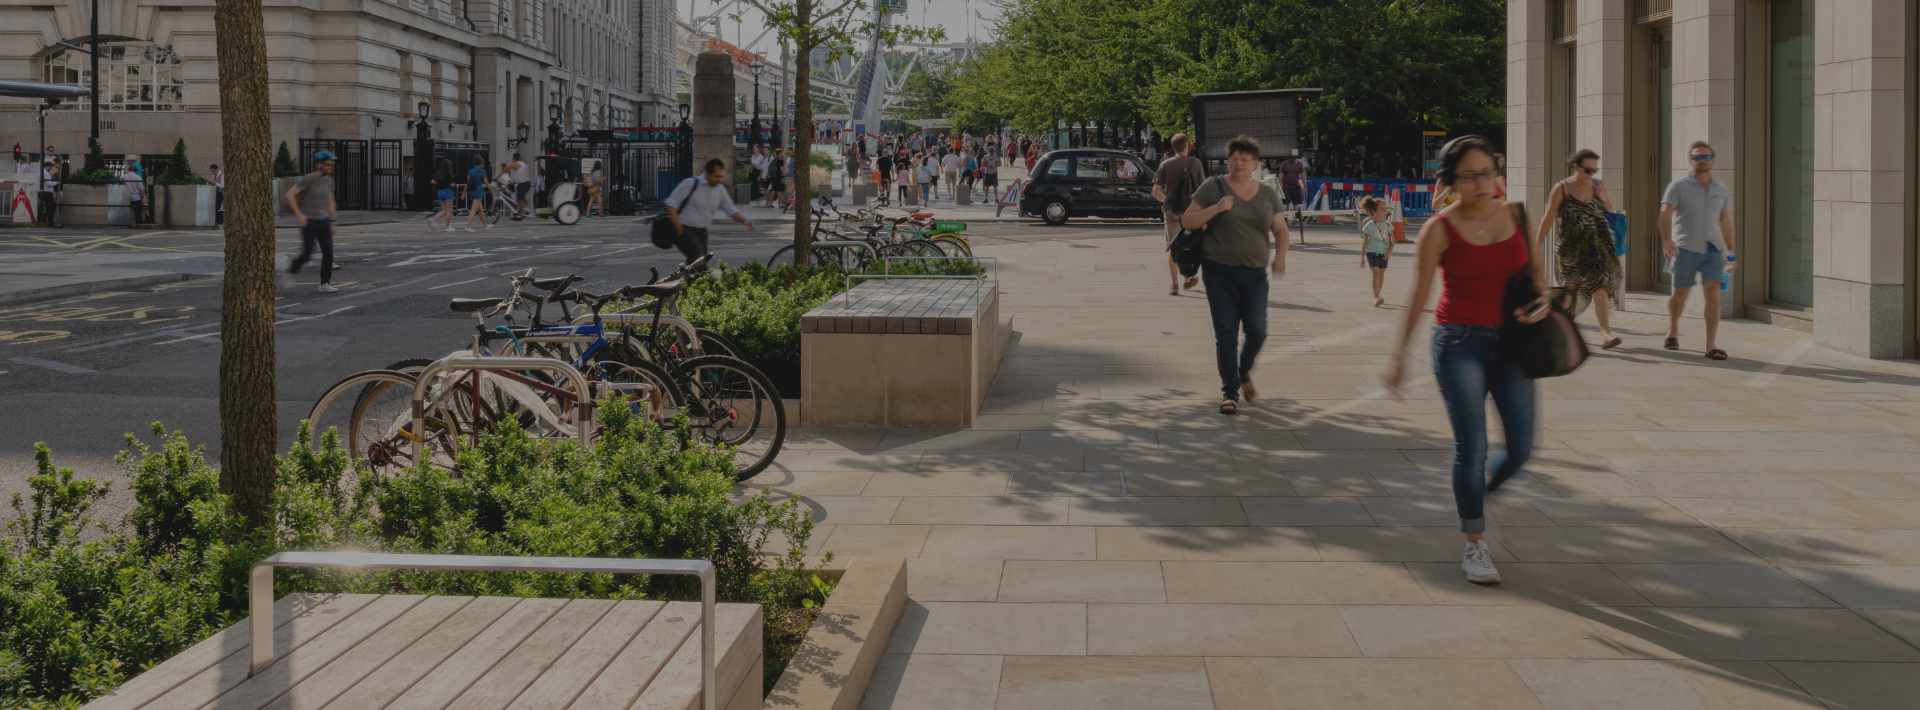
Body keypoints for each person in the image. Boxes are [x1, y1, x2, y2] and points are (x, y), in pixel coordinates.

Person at [1382, 135, 1553, 585]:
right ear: (1452, 182)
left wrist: (1542, 303)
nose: (1481, 183)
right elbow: (1418, 294)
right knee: (1472, 448)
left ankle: (1479, 495)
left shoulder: (1516, 214)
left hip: (1514, 344)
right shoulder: (1439, 228)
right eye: (1469, 176)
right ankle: (1475, 543)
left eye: (1487, 172)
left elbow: (1538, 279)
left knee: (1520, 450)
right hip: (1459, 344)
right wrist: (1398, 354)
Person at [1180, 135, 1290, 415]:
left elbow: (1280, 228)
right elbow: (1187, 220)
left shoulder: (1266, 193)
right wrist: (1216, 207)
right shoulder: (1212, 186)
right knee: (1226, 333)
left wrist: (1280, 256)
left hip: (1254, 274)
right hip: (1218, 272)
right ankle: (1230, 391)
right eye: (1234, 158)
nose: (1238, 163)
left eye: (1245, 159)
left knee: (1257, 331)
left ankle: (1243, 371)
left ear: (1256, 163)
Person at [1537, 149, 1623, 348]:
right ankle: (1557, 332)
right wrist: (1537, 243)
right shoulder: (1561, 188)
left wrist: (1603, 196)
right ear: (1575, 167)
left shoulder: (1598, 185)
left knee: (1600, 288)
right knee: (1571, 293)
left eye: (1594, 170)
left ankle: (1606, 334)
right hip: (1570, 249)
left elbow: (1610, 213)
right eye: (1587, 170)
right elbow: (1548, 217)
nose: (1591, 174)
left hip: (1597, 247)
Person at [1660, 141, 1737, 361]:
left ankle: (1710, 345)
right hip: (1684, 248)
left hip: (1713, 249)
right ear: (1690, 161)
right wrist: (1666, 240)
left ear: (1712, 160)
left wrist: (1731, 253)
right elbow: (1664, 214)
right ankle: (1672, 327)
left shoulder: (1721, 190)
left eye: (1705, 157)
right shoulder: (1678, 186)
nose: (1701, 161)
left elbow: (1726, 222)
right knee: (1681, 294)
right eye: (1697, 157)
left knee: (1712, 291)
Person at [663, 158, 755, 264]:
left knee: (694, 266)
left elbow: (731, 210)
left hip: (702, 232)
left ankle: (684, 280)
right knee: (699, 263)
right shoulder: (690, 184)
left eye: (721, 176)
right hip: (685, 230)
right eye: (716, 176)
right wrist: (678, 227)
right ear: (707, 173)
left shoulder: (720, 190)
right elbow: (670, 204)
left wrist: (745, 221)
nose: (719, 179)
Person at [1154, 133, 1204, 294]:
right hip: (1191, 211)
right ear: (1186, 146)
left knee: (1172, 247)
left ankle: (1174, 284)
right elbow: (1203, 190)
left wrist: (1167, 201)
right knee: (1189, 245)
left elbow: (1155, 191)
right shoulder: (1196, 163)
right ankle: (1188, 278)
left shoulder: (1165, 165)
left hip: (1171, 211)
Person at [286, 151, 341, 293]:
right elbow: (290, 194)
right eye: (328, 165)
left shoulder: (328, 180)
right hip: (309, 222)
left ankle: (324, 284)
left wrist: (333, 221)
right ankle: (292, 268)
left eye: (332, 165)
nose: (331, 167)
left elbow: (331, 202)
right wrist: (299, 215)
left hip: (324, 222)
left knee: (328, 252)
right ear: (319, 165)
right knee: (307, 254)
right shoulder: (308, 179)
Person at [1359, 196, 1395, 306]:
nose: (1385, 211)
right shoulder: (1369, 225)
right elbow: (1364, 242)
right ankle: (1376, 297)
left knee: (1381, 274)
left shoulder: (1388, 225)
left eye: (1385, 208)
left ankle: (1377, 294)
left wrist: (1389, 252)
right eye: (1382, 209)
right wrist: (1362, 258)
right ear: (1374, 211)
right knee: (1375, 273)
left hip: (1384, 254)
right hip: (1372, 253)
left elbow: (1392, 241)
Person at [461, 155, 491, 232]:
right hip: (478, 191)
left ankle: (486, 225)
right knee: (473, 210)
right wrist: (490, 190)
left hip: (472, 191)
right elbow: (486, 182)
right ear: (481, 163)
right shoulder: (482, 171)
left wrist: (463, 193)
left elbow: (467, 183)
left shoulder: (470, 171)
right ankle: (467, 227)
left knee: (480, 210)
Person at [430, 158, 456, 231]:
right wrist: (452, 184)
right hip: (447, 192)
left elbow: (432, 181)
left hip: (440, 192)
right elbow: (452, 184)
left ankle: (434, 219)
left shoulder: (438, 174)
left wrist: (437, 183)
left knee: (443, 210)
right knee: (448, 210)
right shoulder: (449, 174)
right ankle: (447, 227)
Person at [508, 153, 532, 219]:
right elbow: (521, 176)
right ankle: (526, 211)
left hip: (523, 184)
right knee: (522, 198)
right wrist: (514, 182)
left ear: (514, 159)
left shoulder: (516, 164)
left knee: (520, 200)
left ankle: (519, 215)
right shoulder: (523, 164)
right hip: (526, 183)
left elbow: (508, 168)